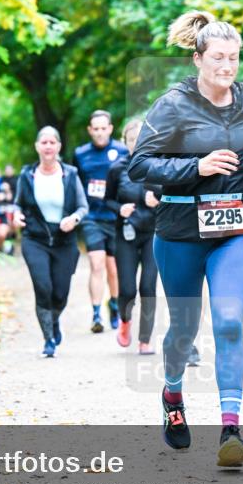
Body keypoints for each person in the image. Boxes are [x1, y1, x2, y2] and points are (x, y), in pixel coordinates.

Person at [128, 10, 243, 467]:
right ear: (197, 58)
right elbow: (139, 166)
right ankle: (173, 395)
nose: (226, 67)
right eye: (217, 58)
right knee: (185, 330)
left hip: (233, 227)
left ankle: (231, 429)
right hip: (180, 232)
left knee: (230, 321)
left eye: (233, 58)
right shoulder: (172, 105)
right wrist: (198, 167)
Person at [13, 127, 89, 358]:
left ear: (58, 147)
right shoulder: (27, 175)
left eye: (52, 142)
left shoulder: (70, 174)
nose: (48, 146)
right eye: (43, 142)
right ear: (37, 146)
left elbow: (83, 207)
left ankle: (54, 320)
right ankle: (48, 339)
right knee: (43, 287)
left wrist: (74, 219)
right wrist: (16, 215)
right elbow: (17, 203)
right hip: (35, 239)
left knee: (60, 294)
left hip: (64, 240)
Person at [105, 119, 160, 354]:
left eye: (140, 140)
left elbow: (173, 197)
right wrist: (119, 209)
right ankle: (125, 322)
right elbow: (106, 200)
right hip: (125, 233)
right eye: (131, 140)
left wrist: (158, 200)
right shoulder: (117, 168)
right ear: (124, 142)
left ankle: (145, 340)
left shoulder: (159, 166)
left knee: (148, 286)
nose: (136, 144)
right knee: (127, 289)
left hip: (153, 233)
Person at [73, 111, 130, 333]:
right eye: (95, 129)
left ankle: (113, 305)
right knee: (96, 264)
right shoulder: (80, 154)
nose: (99, 132)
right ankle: (96, 314)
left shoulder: (122, 151)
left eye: (103, 128)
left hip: (114, 217)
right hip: (91, 217)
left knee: (113, 269)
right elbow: (75, 184)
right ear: (89, 130)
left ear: (110, 128)